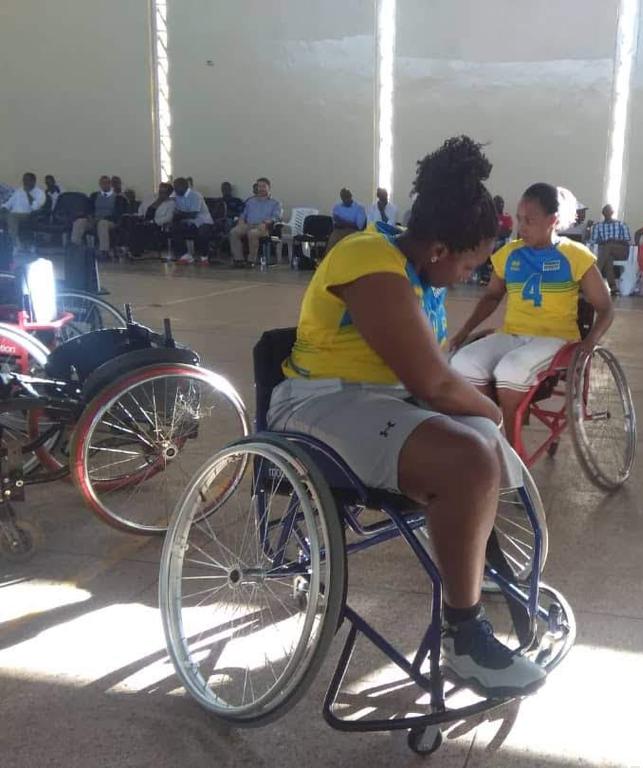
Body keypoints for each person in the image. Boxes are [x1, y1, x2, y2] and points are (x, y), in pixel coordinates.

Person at [268, 135, 547, 695]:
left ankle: (474, 569)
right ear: (441, 249)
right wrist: (490, 406)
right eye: (470, 262)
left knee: (483, 445)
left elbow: (428, 383)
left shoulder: (420, 268)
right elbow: (434, 383)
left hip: (384, 403)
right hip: (320, 404)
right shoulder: (369, 259)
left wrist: (480, 419)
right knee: (469, 453)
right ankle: (463, 638)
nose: (472, 274)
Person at [450, 183, 614, 443]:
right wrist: (463, 333)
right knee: (462, 363)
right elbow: (492, 296)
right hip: (514, 334)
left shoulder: (574, 256)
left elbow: (605, 309)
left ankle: (511, 451)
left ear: (553, 221)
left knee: (510, 370)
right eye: (518, 219)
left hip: (556, 339)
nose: (521, 227)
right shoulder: (509, 254)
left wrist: (590, 342)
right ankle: (495, 431)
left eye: (529, 220)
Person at [71, 175, 128, 258]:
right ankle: (75, 247)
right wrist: (90, 218)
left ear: (110, 184)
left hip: (109, 221)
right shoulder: (94, 196)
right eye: (102, 183)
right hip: (93, 220)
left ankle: (103, 251)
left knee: (102, 223)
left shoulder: (118, 197)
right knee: (79, 222)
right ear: (100, 184)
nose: (105, 185)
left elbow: (117, 214)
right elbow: (88, 209)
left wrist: (101, 219)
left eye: (107, 183)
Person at [230, 177, 281, 266]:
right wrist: (240, 222)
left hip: (264, 227)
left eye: (263, 186)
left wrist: (266, 222)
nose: (261, 189)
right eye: (259, 186)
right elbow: (243, 214)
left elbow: (276, 217)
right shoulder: (250, 201)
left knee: (252, 233)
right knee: (234, 232)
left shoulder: (275, 202)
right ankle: (239, 260)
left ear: (269, 187)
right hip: (248, 224)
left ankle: (251, 260)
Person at [169, 176, 214, 263]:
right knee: (175, 228)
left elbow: (193, 214)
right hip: (188, 222)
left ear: (184, 187)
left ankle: (204, 256)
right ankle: (185, 255)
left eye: (176, 187)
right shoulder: (176, 195)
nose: (175, 189)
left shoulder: (196, 195)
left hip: (202, 221)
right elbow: (174, 208)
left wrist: (179, 213)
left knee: (203, 232)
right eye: (174, 187)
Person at [127, 182, 176, 258]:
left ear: (169, 193)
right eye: (160, 191)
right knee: (129, 221)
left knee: (139, 227)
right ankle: (127, 249)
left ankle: (135, 251)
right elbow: (142, 207)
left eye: (164, 192)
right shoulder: (151, 197)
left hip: (157, 224)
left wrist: (152, 222)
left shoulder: (171, 203)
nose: (161, 194)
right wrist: (140, 216)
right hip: (143, 219)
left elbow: (168, 217)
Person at [591, 204, 631, 295]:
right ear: (603, 213)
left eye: (609, 211)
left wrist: (614, 241)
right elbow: (593, 241)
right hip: (606, 251)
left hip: (620, 251)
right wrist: (604, 242)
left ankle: (594, 275)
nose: (607, 213)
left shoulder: (621, 224)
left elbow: (627, 241)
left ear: (612, 212)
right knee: (608, 257)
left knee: (608, 247)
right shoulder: (598, 226)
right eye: (605, 211)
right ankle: (613, 287)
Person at [1, 172, 45, 247]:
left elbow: (35, 207)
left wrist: (28, 194)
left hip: (27, 215)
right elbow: (9, 203)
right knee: (9, 215)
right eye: (24, 180)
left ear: (33, 181)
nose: (25, 182)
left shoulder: (39, 193)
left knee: (12, 216)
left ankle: (14, 243)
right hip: (12, 214)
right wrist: (3, 208)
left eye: (27, 180)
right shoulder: (19, 190)